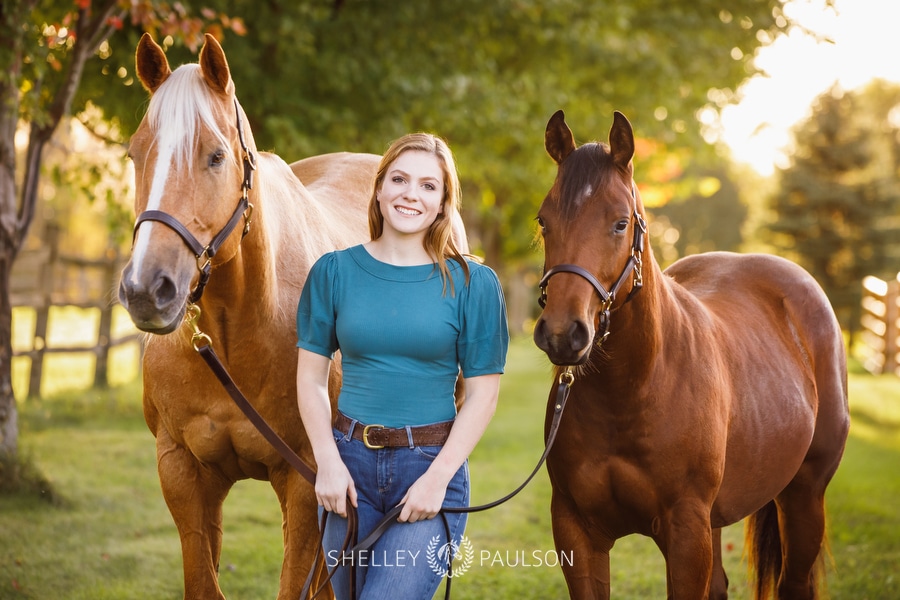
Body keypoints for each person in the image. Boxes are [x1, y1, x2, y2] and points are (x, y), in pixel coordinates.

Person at [295, 132, 509, 599]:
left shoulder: (474, 283)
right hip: (348, 471)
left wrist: (437, 480)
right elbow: (310, 379)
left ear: (443, 203)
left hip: (430, 467)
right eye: (400, 179)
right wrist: (327, 463)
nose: (411, 193)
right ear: (379, 189)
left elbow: (483, 396)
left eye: (429, 186)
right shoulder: (332, 273)